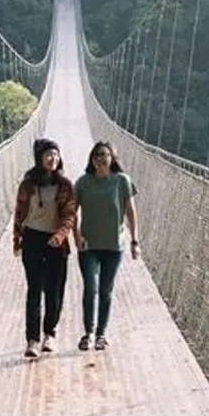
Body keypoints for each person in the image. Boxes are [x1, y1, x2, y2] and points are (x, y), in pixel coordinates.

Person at [12, 137, 76, 359]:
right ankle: (32, 340)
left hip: (56, 242)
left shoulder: (65, 185)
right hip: (32, 239)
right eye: (49, 155)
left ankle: (50, 333)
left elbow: (69, 215)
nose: (53, 158)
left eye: (56, 155)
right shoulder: (28, 185)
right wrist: (17, 240)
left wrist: (59, 236)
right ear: (39, 158)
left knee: (54, 290)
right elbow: (19, 213)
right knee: (34, 290)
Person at [74, 140, 139, 351]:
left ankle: (101, 334)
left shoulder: (122, 181)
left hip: (113, 246)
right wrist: (76, 237)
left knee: (105, 290)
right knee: (90, 288)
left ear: (112, 158)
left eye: (105, 154)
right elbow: (71, 212)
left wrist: (134, 241)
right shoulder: (83, 182)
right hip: (89, 245)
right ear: (91, 160)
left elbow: (131, 212)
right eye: (97, 155)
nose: (101, 159)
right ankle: (88, 334)